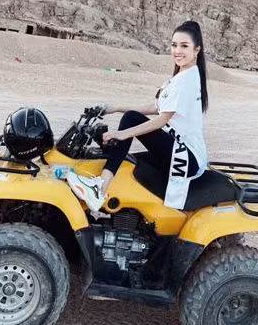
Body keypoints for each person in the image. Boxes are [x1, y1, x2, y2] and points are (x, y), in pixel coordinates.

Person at [68, 21, 208, 212]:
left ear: (196, 50)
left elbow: (162, 119)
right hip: (180, 150)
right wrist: (115, 108)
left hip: (185, 157)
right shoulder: (184, 76)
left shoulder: (187, 80)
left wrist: (122, 134)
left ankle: (99, 188)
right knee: (127, 159)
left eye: (184, 46)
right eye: (174, 45)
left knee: (131, 119)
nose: (177, 51)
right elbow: (155, 107)